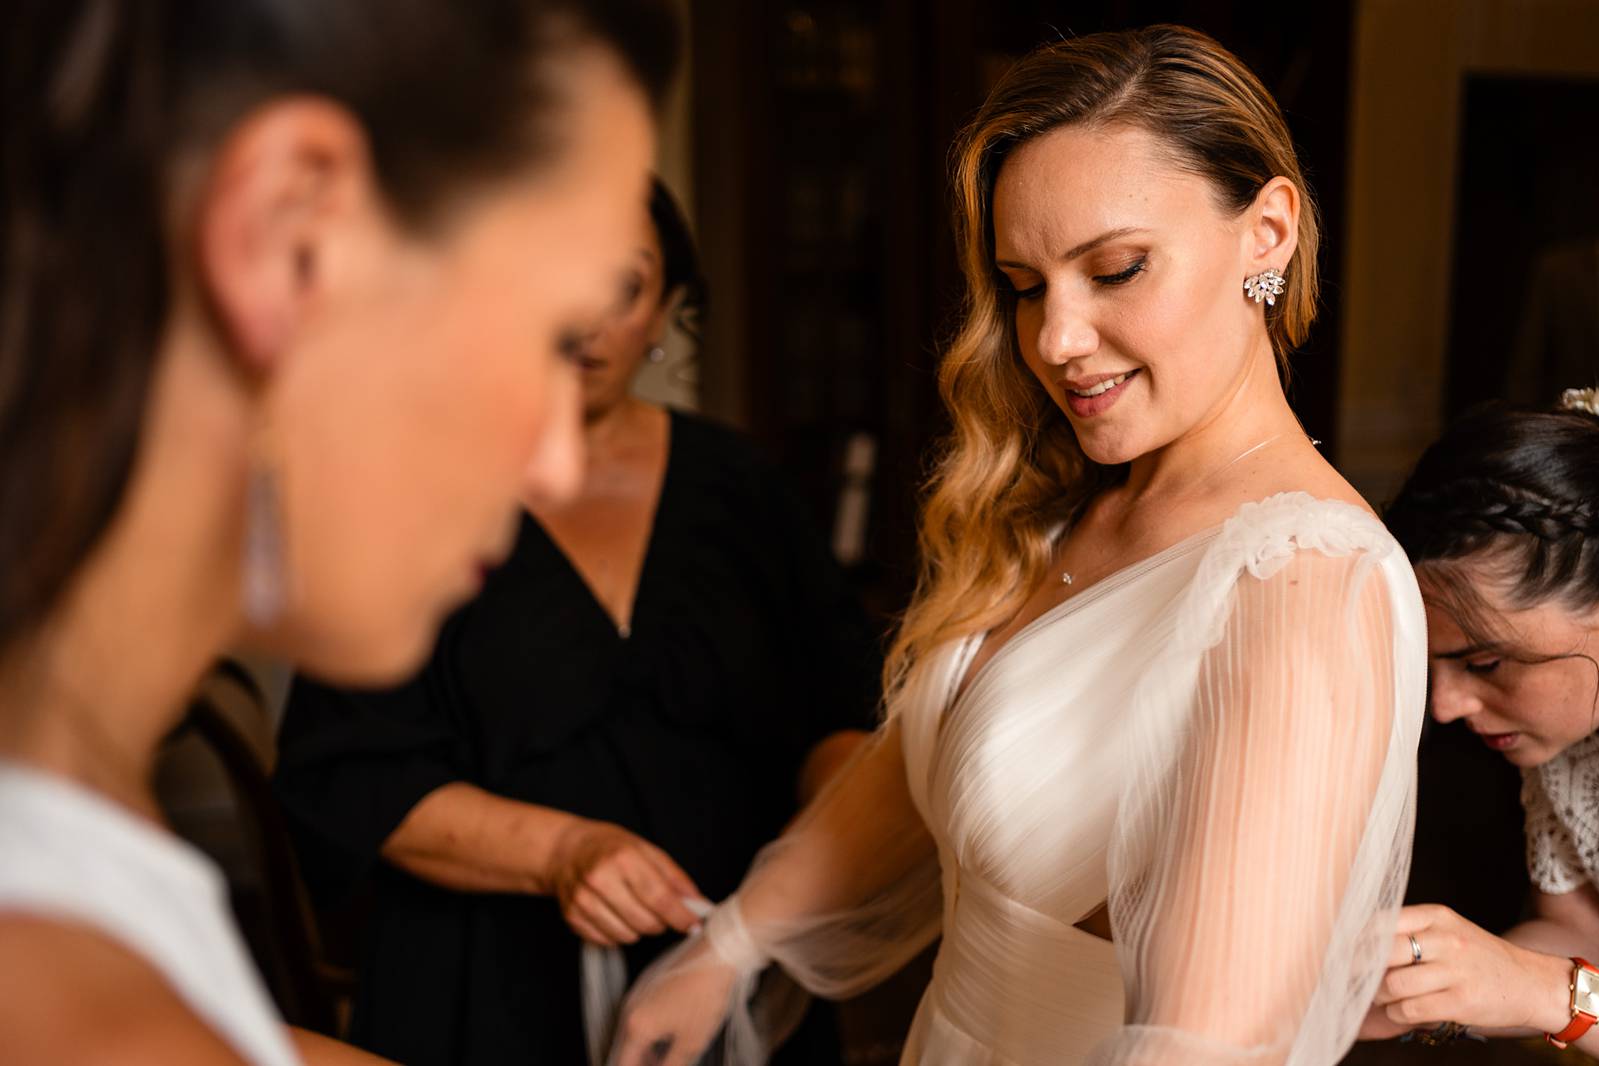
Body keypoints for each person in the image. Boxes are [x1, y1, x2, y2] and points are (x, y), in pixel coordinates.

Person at [607, 24, 1429, 1066]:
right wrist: (725, 943)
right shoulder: (1062, 511)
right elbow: (913, 774)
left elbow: (1205, 1049)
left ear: (1266, 231)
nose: (1055, 339)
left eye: (1117, 268)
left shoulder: (1300, 583)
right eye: (1026, 284)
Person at [0, 2, 676, 1063]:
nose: (553, 460)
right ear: (288, 238)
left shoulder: (65, 779)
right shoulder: (78, 1003)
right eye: (549, 329)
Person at [271, 177, 877, 1066]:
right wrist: (562, 851)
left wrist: (796, 873)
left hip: (732, 974)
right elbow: (349, 771)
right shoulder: (409, 494)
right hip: (483, 991)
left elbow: (844, 713)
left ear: (667, 305)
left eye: (621, 283)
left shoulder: (744, 488)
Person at [1363, 389, 1599, 1054]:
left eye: (1487, 663)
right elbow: (1578, 934)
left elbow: (1558, 981)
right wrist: (1430, 984)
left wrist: (1547, 992)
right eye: (1432, 669)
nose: (1444, 708)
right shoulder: (1566, 743)